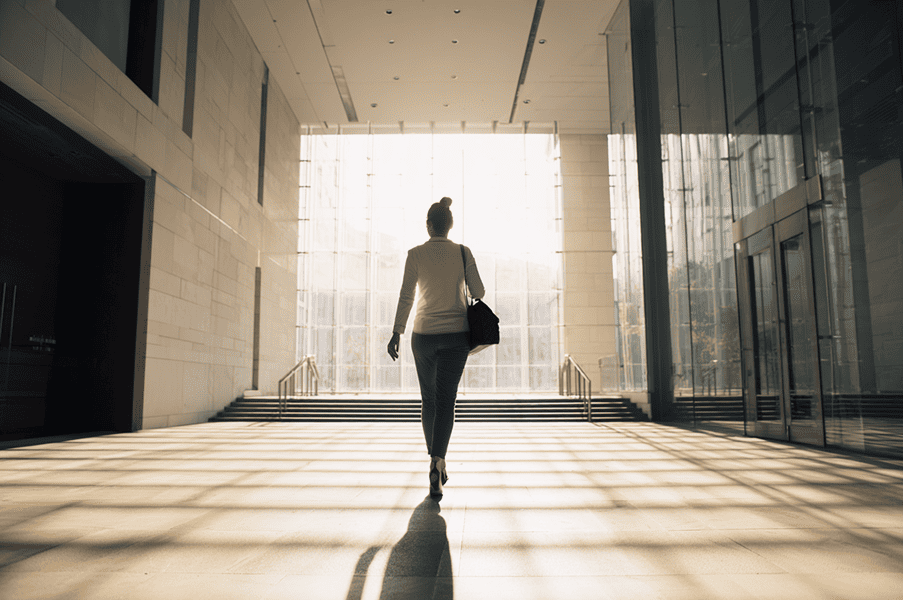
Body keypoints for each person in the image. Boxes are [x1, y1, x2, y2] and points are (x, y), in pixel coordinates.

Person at [387, 197, 484, 501]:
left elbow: (406, 296)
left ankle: (434, 459)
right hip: (456, 336)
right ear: (450, 225)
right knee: (446, 401)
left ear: (428, 225)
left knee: (428, 400)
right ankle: (437, 461)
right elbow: (479, 291)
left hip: (423, 335)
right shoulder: (463, 252)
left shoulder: (415, 254)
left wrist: (396, 331)